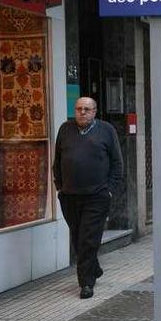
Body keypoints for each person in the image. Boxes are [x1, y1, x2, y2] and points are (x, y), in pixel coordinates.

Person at [53, 97, 124, 299]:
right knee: (77, 236)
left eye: (87, 109)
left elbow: (117, 163)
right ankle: (94, 268)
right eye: (78, 109)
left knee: (88, 239)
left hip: (97, 196)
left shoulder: (106, 130)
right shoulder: (65, 129)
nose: (82, 112)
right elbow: (57, 160)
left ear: (94, 112)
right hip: (69, 196)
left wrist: (109, 190)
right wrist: (59, 186)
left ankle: (86, 283)